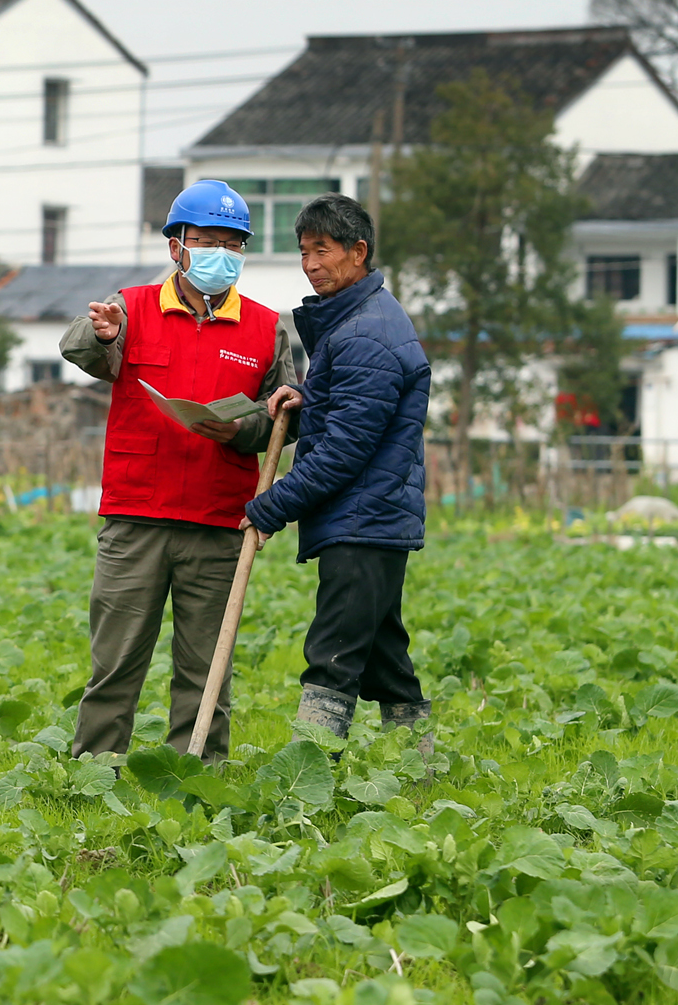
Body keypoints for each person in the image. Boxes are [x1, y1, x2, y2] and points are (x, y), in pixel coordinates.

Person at [60, 180, 298, 761]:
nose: (222, 254)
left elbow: (284, 423)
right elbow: (82, 351)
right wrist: (100, 335)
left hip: (219, 524)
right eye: (208, 241)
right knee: (114, 666)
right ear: (176, 246)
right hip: (135, 517)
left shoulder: (268, 329)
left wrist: (242, 430)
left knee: (206, 677)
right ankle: (94, 779)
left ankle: (196, 781)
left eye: (233, 244)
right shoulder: (131, 307)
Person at [243, 193, 431, 743]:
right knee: (383, 658)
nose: (310, 264)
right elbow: (355, 413)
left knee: (334, 656)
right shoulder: (361, 321)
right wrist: (310, 399)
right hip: (375, 517)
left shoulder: (364, 333)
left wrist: (270, 506)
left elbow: (345, 451)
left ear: (358, 252)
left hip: (363, 521)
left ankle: (309, 779)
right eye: (303, 251)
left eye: (321, 250)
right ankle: (420, 771)